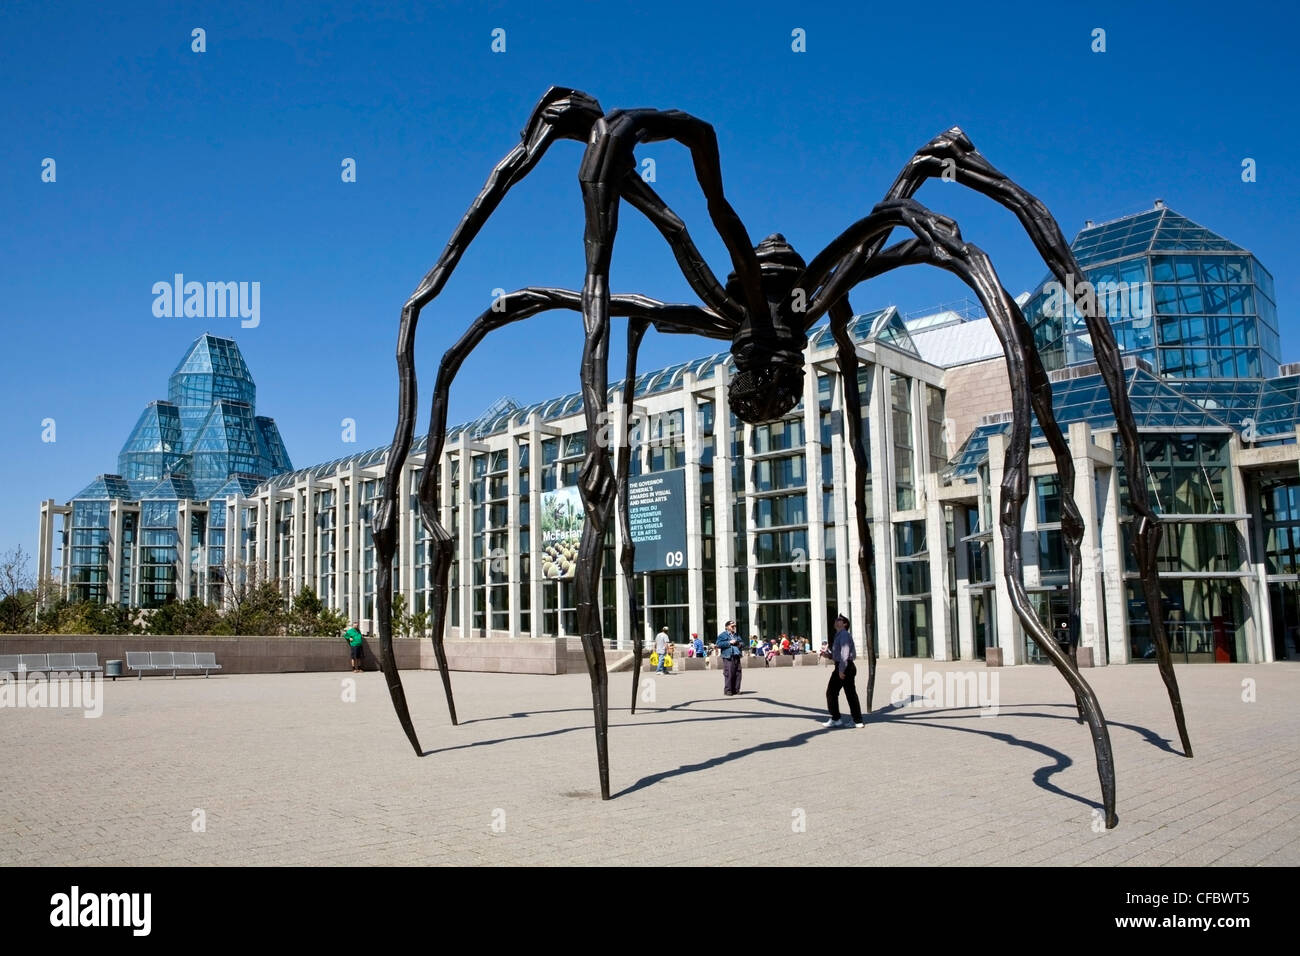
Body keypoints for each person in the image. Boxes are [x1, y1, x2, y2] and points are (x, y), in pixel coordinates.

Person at [822, 613, 863, 728]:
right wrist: (828, 655)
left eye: (839, 619)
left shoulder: (844, 634)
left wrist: (841, 670)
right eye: (836, 619)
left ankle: (839, 718)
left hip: (844, 667)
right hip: (844, 666)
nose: (836, 621)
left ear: (845, 624)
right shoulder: (839, 635)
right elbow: (839, 654)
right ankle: (855, 720)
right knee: (847, 693)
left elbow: (845, 654)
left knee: (833, 692)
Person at [718, 620, 743, 695]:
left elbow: (742, 643)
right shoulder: (723, 635)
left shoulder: (736, 635)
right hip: (728, 656)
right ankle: (728, 690)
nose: (733, 627)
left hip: (737, 656)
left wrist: (738, 643)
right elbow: (718, 644)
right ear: (727, 627)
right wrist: (729, 642)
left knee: (738, 673)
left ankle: (736, 689)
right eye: (732, 626)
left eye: (734, 626)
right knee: (729, 673)